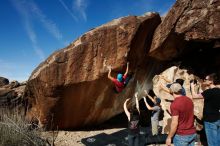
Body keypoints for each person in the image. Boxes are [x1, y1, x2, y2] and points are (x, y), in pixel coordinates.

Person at [190, 73, 220, 146]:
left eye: (206, 79)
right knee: (218, 141)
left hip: (210, 120)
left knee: (212, 143)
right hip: (218, 118)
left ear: (211, 81)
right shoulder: (218, 91)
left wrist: (192, 86)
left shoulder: (209, 92)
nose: (204, 80)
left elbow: (194, 96)